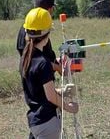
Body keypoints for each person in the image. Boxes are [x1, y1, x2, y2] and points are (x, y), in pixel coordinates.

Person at [20, 7, 79, 139]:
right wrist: (69, 107)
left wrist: (63, 91)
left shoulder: (26, 57)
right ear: (47, 35)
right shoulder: (43, 63)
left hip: (35, 121)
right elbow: (50, 97)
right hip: (47, 123)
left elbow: (38, 92)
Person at [17, 0, 61, 74]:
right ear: (50, 9)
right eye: (53, 8)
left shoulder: (25, 28)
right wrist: (58, 68)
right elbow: (35, 61)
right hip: (41, 79)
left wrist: (57, 62)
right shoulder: (40, 31)